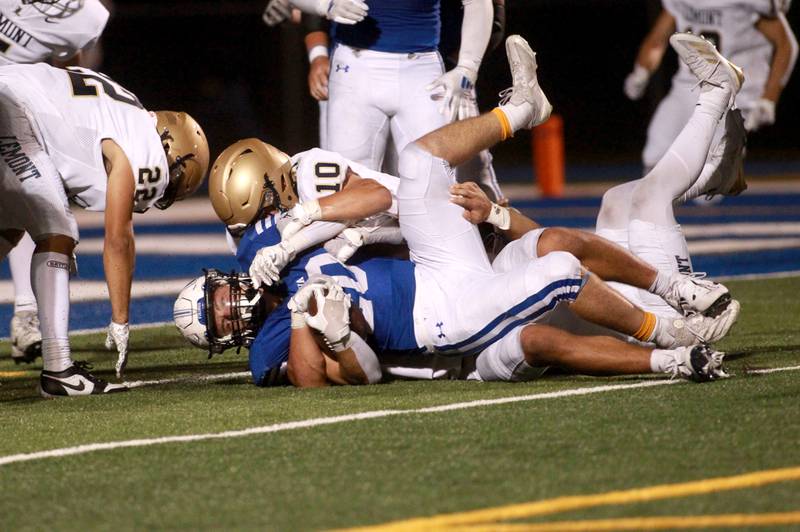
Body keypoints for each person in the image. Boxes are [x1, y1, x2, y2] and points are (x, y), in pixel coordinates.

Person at [178, 34, 740, 387]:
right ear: (224, 341)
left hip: (437, 268)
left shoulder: (266, 244)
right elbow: (347, 375)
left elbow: (382, 196)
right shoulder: (270, 346)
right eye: (221, 317)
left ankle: (519, 111)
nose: (230, 304)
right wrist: (313, 320)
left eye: (219, 295)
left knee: (424, 162)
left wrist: (299, 229)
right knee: (566, 264)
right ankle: (669, 337)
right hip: (445, 322)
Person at [0, 61, 209, 396]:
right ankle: (59, 370)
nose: (166, 189)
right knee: (57, 231)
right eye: (176, 179)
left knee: (10, 227)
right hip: (12, 110)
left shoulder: (126, 110)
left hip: (10, 92)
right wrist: (121, 318)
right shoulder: (147, 150)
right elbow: (118, 238)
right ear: (169, 149)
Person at [0, 0, 111, 364]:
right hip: (8, 104)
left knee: (22, 206)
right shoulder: (89, 15)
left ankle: (27, 311)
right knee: (47, 217)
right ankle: (56, 363)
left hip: (11, 102)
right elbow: (75, 68)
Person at [287, 0, 493, 175]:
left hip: (421, 70)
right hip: (355, 66)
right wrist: (326, 4)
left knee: (431, 177)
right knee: (348, 177)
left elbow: (478, 2)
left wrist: (468, 67)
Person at [624, 0, 797, 172]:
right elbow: (658, 39)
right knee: (655, 157)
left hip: (730, 93)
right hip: (686, 87)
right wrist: (641, 72)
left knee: (709, 179)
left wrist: (769, 99)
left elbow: (786, 45)